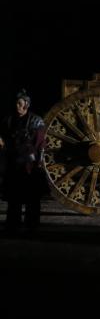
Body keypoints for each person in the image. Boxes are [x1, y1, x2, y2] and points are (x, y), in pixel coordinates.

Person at [1, 90, 47, 233]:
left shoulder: (36, 121)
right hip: (13, 162)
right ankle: (12, 225)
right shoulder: (9, 120)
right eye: (16, 103)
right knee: (14, 197)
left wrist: (38, 162)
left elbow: (40, 144)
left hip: (30, 164)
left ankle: (31, 226)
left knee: (32, 197)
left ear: (27, 104)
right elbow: (4, 138)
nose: (17, 106)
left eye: (20, 103)